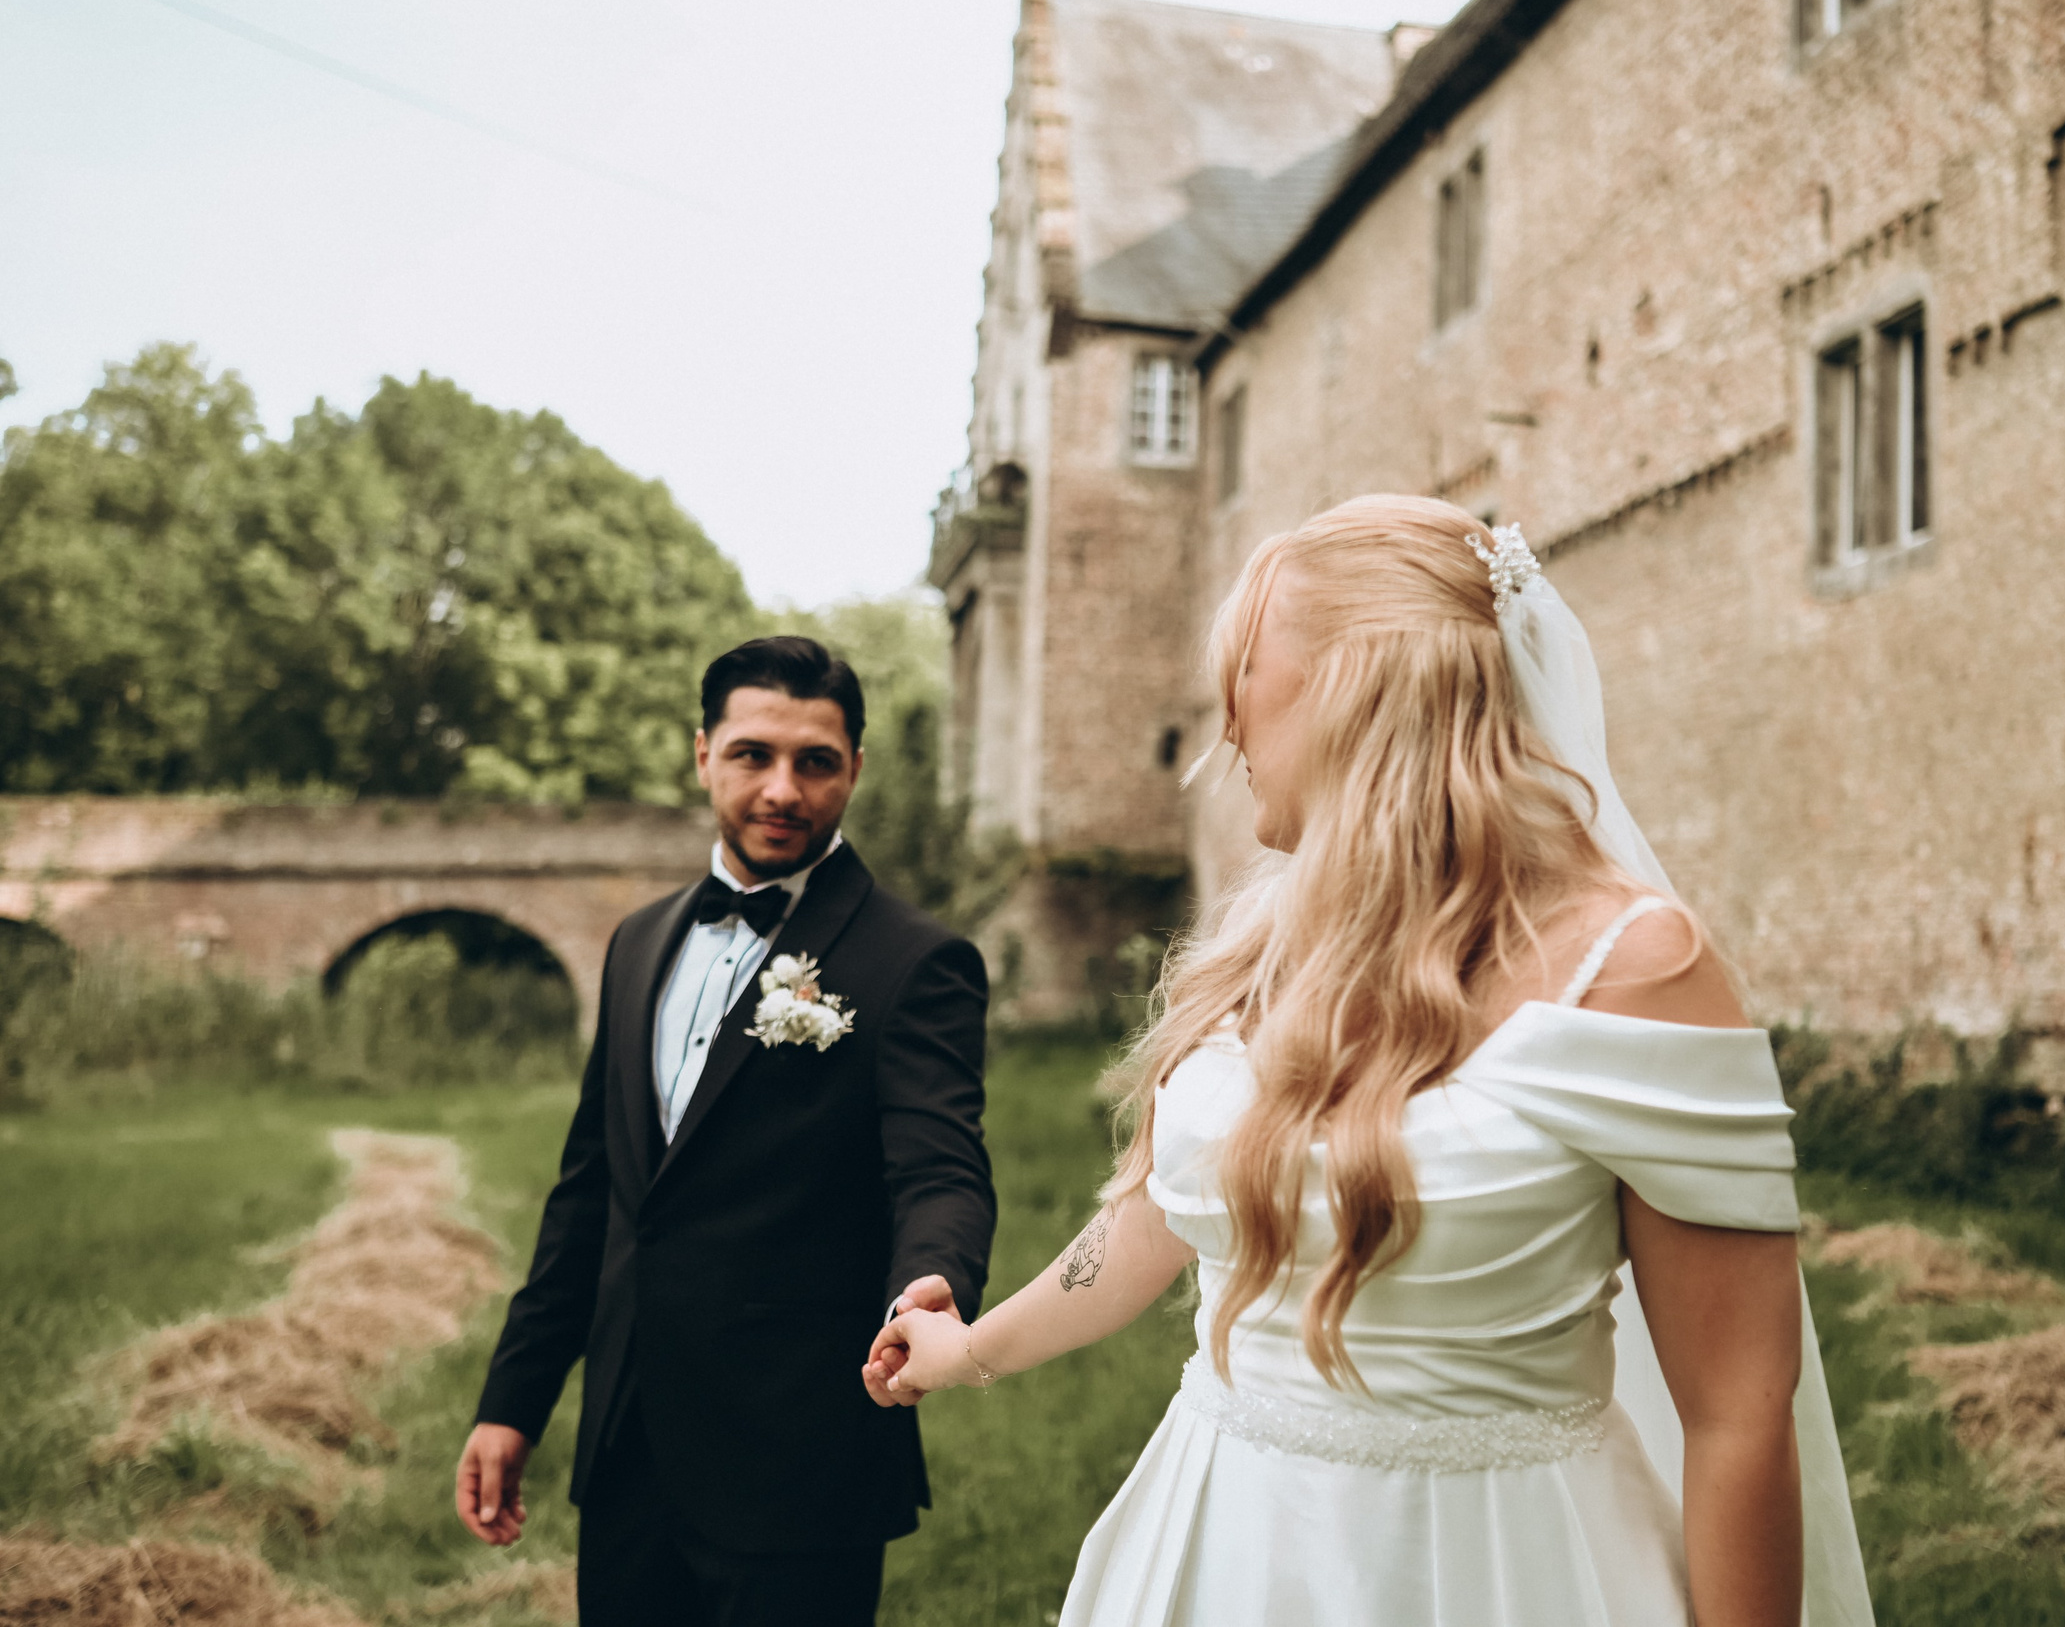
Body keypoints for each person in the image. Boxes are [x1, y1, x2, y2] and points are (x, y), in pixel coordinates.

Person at [865, 497, 1872, 1626]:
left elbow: (1738, 1413)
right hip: (1223, 1543)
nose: (1226, 725)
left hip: (1499, 1568)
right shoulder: (1256, 946)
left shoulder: (1634, 967)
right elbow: (1153, 1216)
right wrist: (968, 1349)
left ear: (1355, 686)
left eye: (1246, 672)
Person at [456, 636, 997, 1627]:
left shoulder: (917, 960)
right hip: (628, 1444)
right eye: (754, 754)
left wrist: (933, 1279)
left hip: (799, 1456)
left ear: (854, 769)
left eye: (815, 761)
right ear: (703, 753)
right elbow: (593, 1191)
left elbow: (941, 1167)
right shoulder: (638, 942)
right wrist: (513, 1400)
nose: (782, 789)